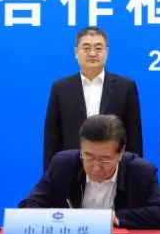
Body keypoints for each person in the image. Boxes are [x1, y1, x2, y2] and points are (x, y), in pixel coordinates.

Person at [21, 114, 160, 230]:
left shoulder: (140, 171)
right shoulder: (63, 165)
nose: (95, 167)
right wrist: (65, 219)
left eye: (105, 160)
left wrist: (112, 218)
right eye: (88, 157)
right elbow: (28, 206)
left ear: (121, 152)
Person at [42, 26, 143, 171]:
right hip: (71, 170)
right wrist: (50, 176)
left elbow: (134, 138)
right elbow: (52, 139)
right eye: (86, 48)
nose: (92, 53)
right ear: (76, 52)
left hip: (113, 170)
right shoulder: (60, 88)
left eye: (98, 48)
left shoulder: (125, 87)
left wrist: (134, 174)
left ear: (106, 52)